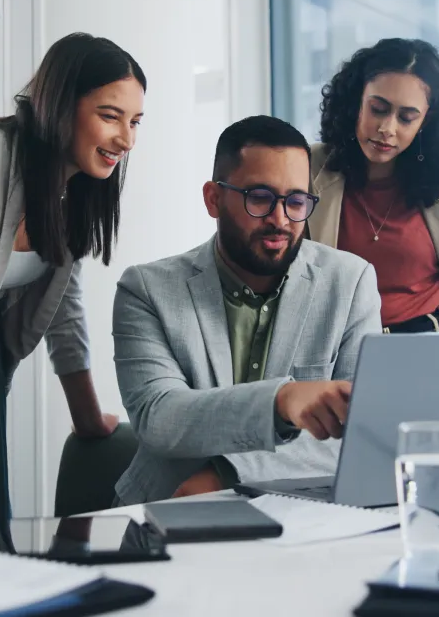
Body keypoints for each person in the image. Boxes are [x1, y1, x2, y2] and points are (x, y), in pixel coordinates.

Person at [0, 32, 146, 539]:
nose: (126, 140)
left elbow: (64, 307)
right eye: (110, 116)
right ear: (59, 104)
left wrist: (86, 417)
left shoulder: (75, 192)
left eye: (135, 122)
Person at [112, 115, 381, 505]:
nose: (281, 219)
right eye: (259, 197)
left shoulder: (351, 282)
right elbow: (160, 418)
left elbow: (361, 431)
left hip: (303, 515)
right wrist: (282, 401)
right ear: (213, 199)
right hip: (164, 507)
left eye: (296, 201)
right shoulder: (147, 289)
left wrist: (227, 472)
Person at [308, 37, 439, 333]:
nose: (386, 129)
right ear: (355, 103)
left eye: (406, 118)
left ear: (425, 123)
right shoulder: (309, 166)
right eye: (378, 109)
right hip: (339, 354)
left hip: (438, 349)